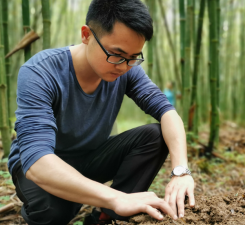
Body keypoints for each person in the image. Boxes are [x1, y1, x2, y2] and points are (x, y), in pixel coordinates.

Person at [7, 0, 195, 224]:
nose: (124, 66)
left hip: (89, 157)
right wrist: (115, 197)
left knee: (155, 135)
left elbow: (167, 111)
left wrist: (181, 171)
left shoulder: (125, 68)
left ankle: (106, 216)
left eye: (134, 57)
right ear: (86, 35)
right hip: (41, 165)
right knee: (54, 211)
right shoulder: (40, 72)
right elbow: (37, 161)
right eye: (116, 54)